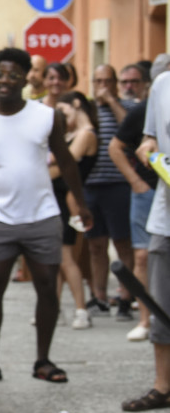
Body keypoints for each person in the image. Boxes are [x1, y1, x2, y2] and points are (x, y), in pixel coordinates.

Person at [0, 48, 93, 385]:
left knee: (47, 289)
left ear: (26, 78)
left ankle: (43, 360)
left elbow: (66, 161)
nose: (4, 80)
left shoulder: (45, 115)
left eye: (12, 74)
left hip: (42, 215)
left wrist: (81, 203)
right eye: (0, 73)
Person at [110, 57, 168, 341]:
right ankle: (146, 320)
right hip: (155, 197)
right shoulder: (154, 98)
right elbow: (122, 145)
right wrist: (137, 181)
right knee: (144, 259)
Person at [124, 68, 170, 412]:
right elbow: (150, 138)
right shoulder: (163, 86)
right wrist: (148, 148)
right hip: (165, 218)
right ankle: (163, 386)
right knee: (161, 306)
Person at [85, 64, 134, 320]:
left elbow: (129, 128)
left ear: (115, 83)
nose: (102, 86)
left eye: (107, 81)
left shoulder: (126, 107)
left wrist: (112, 101)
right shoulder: (88, 109)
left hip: (118, 184)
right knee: (95, 244)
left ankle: (126, 297)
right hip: (91, 185)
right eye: (98, 80)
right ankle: (99, 297)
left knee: (122, 242)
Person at [49, 91, 98, 329]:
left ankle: (81, 309)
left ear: (76, 105)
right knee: (58, 259)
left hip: (70, 199)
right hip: (59, 198)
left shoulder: (86, 134)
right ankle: (54, 309)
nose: (61, 116)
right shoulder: (71, 134)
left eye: (64, 110)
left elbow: (66, 163)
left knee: (67, 258)